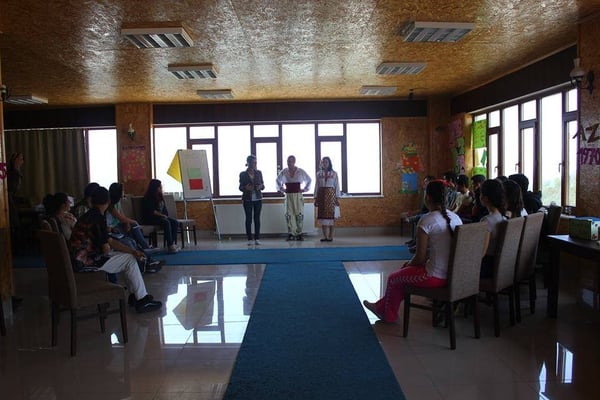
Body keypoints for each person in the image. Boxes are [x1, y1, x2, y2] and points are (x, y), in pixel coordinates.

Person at [363, 180, 463, 323]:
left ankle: (388, 315)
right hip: (453, 275)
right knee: (403, 272)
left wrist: (409, 264)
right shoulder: (456, 218)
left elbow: (420, 257)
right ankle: (381, 307)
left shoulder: (426, 220)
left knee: (393, 278)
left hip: (435, 276)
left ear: (427, 198)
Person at [69, 187, 162, 313]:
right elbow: (106, 247)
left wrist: (131, 251)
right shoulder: (98, 218)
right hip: (86, 262)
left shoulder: (90, 215)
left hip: (79, 259)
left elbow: (109, 242)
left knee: (128, 257)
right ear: (108, 201)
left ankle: (136, 296)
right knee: (129, 260)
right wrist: (131, 252)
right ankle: (141, 299)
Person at [108, 182, 163, 273]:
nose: (123, 192)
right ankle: (146, 257)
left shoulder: (118, 202)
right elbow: (120, 217)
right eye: (122, 190)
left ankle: (147, 254)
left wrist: (128, 223)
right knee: (132, 239)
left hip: (119, 225)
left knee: (133, 228)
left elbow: (123, 216)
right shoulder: (110, 205)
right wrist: (133, 221)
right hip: (114, 228)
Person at [276, 155, 312, 241]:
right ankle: (291, 233)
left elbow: (309, 180)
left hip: (298, 195)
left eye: (290, 161)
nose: (288, 163)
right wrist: (282, 189)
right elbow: (277, 180)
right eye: (287, 161)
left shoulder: (300, 171)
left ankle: (299, 233)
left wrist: (304, 189)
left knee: (299, 213)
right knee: (289, 214)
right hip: (288, 195)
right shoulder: (284, 171)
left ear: (294, 162)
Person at [141, 179, 180, 254]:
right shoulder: (148, 197)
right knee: (166, 222)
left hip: (160, 217)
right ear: (155, 187)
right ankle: (170, 246)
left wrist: (166, 215)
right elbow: (152, 211)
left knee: (175, 222)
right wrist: (163, 216)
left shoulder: (159, 196)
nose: (161, 188)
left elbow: (163, 208)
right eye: (159, 187)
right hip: (151, 218)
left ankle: (172, 243)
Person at [479, 179, 508, 278]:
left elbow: (482, 252)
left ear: (485, 198)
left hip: (487, 266)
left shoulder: (487, 221)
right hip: (499, 264)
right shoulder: (503, 216)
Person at [313, 156, 340, 242]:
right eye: (323, 162)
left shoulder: (334, 173)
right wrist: (316, 198)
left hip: (331, 196)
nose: (324, 164)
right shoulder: (318, 174)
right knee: (322, 217)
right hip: (321, 196)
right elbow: (317, 186)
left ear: (329, 163)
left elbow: (337, 186)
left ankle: (330, 236)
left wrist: (337, 198)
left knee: (331, 217)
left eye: (326, 162)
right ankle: (325, 236)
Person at [239, 155, 264, 245]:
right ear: (248, 163)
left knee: (257, 218)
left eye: (256, 162)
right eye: (253, 163)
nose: (255, 164)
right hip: (247, 199)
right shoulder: (243, 174)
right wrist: (245, 188)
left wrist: (260, 186)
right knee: (248, 219)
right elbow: (240, 187)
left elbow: (263, 185)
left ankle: (257, 238)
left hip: (258, 199)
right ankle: (249, 239)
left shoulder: (259, 173)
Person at [6, 152, 24, 243]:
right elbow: (10, 189)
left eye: (22, 159)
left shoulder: (17, 173)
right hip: (8, 200)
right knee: (14, 224)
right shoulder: (12, 173)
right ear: (14, 160)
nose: (21, 161)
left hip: (12, 199)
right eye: (20, 159)